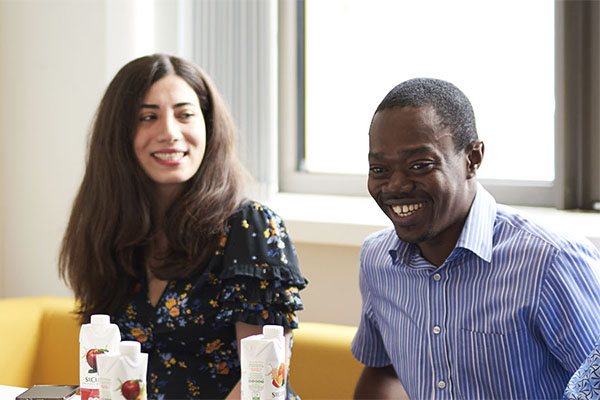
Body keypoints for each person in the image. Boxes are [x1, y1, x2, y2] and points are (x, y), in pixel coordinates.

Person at [59, 54, 307, 400]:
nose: (170, 133)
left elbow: (261, 384)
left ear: (208, 125)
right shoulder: (109, 230)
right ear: (118, 134)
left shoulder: (249, 227)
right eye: (148, 117)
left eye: (185, 114)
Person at [351, 77, 600, 399]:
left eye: (419, 165)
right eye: (379, 169)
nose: (396, 186)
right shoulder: (377, 260)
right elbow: (384, 370)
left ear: (473, 158)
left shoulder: (550, 261)